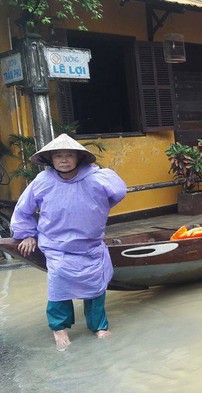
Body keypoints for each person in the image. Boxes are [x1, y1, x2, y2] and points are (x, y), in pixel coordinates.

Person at [10, 133, 127, 349]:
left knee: (95, 286)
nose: (64, 159)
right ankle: (59, 327)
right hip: (57, 247)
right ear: (51, 160)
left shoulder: (96, 177)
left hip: (90, 246)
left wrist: (97, 206)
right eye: (58, 155)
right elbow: (23, 210)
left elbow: (118, 193)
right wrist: (27, 234)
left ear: (78, 159)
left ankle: (99, 326)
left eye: (69, 155)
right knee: (58, 285)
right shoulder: (42, 181)